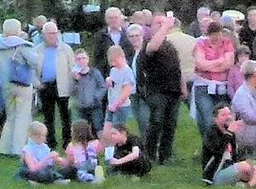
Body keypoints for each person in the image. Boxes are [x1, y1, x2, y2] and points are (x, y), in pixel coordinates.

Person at [137, 15, 183, 165]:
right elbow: (153, 47)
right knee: (156, 122)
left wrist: (182, 86)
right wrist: (165, 26)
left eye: (164, 22)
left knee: (171, 124)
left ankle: (165, 156)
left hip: (173, 90)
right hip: (157, 90)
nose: (163, 25)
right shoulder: (148, 44)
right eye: (158, 23)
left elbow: (177, 66)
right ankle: (149, 155)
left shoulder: (169, 45)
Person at [189, 16, 237, 145]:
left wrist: (209, 65)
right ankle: (209, 146)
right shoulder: (200, 44)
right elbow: (200, 64)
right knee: (207, 118)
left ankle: (226, 144)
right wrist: (218, 62)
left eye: (219, 34)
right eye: (214, 34)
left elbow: (228, 63)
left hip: (222, 86)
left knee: (224, 117)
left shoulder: (227, 43)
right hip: (204, 86)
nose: (217, 37)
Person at [0, 19, 37, 157]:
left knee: (11, 116)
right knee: (22, 116)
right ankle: (18, 149)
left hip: (6, 84)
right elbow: (35, 61)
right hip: (21, 84)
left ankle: (4, 147)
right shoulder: (21, 45)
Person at [201, 105, 256, 187]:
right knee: (245, 166)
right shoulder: (211, 133)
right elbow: (218, 150)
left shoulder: (230, 132)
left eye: (229, 114)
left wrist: (247, 161)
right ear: (216, 119)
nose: (228, 117)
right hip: (216, 174)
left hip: (232, 169)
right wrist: (229, 133)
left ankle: (248, 185)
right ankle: (254, 180)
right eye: (223, 115)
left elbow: (235, 157)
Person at [34, 22, 74, 149]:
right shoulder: (37, 49)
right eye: (49, 33)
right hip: (45, 86)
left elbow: (73, 67)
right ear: (43, 35)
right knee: (48, 116)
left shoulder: (66, 49)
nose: (52, 36)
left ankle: (67, 141)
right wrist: (37, 83)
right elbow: (33, 70)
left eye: (54, 33)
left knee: (65, 115)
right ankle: (50, 142)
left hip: (63, 85)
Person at [70, 48, 104, 135]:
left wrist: (96, 97)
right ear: (75, 61)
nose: (81, 61)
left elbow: (102, 87)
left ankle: (101, 146)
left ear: (88, 59)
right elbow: (72, 92)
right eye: (78, 59)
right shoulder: (74, 75)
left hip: (95, 106)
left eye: (83, 58)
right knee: (82, 130)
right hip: (81, 107)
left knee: (98, 127)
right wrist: (76, 81)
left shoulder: (95, 72)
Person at [101, 43, 135, 130]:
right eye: (111, 61)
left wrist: (116, 105)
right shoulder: (113, 70)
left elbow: (126, 92)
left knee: (116, 131)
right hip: (111, 104)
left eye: (115, 60)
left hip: (122, 107)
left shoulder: (127, 71)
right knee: (106, 130)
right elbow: (113, 86)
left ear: (122, 56)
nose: (113, 63)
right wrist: (108, 80)